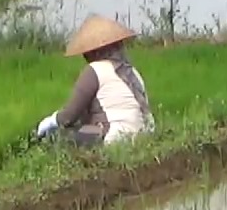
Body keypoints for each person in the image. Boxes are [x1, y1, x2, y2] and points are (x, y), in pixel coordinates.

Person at [36, 14, 155, 146]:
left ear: (93, 52)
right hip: (143, 135)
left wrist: (51, 121)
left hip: (116, 136)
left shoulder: (95, 70)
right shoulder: (132, 71)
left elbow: (69, 117)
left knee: (60, 136)